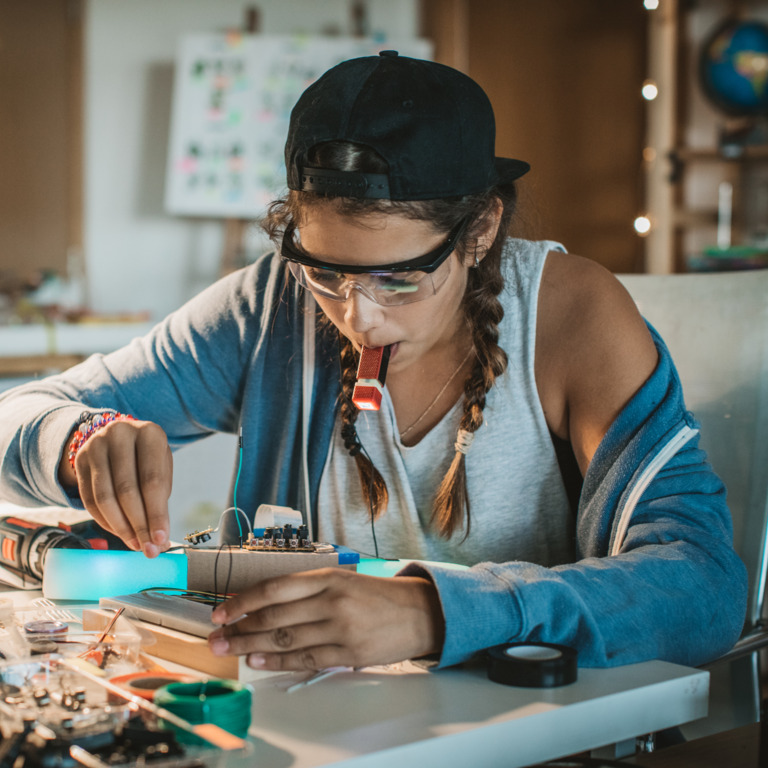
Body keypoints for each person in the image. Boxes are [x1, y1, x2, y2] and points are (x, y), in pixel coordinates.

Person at [0, 52, 746, 673]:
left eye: (399, 278)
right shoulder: (271, 304)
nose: (357, 317)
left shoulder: (573, 314)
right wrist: (77, 440)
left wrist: (434, 611)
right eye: (327, 273)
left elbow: (704, 584)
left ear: (481, 228)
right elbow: (15, 416)